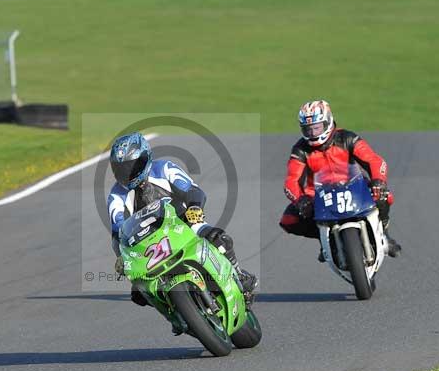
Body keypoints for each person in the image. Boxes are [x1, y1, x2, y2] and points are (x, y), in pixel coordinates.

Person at [107, 132, 258, 315]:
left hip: (184, 223)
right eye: (122, 169)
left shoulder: (163, 168)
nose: (128, 173)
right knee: (140, 292)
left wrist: (194, 207)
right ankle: (176, 313)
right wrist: (123, 258)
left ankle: (238, 275)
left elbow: (193, 190)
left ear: (145, 158)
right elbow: (118, 230)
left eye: (132, 166)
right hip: (148, 244)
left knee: (219, 240)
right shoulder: (116, 195)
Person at [279, 100, 402, 257]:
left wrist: (379, 181)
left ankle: (384, 235)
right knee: (289, 220)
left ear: (328, 122)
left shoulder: (347, 138)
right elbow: (291, 181)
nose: (312, 133)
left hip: (355, 185)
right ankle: (326, 240)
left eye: (316, 128)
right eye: (308, 130)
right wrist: (300, 200)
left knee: (385, 196)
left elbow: (375, 160)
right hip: (319, 195)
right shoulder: (300, 150)